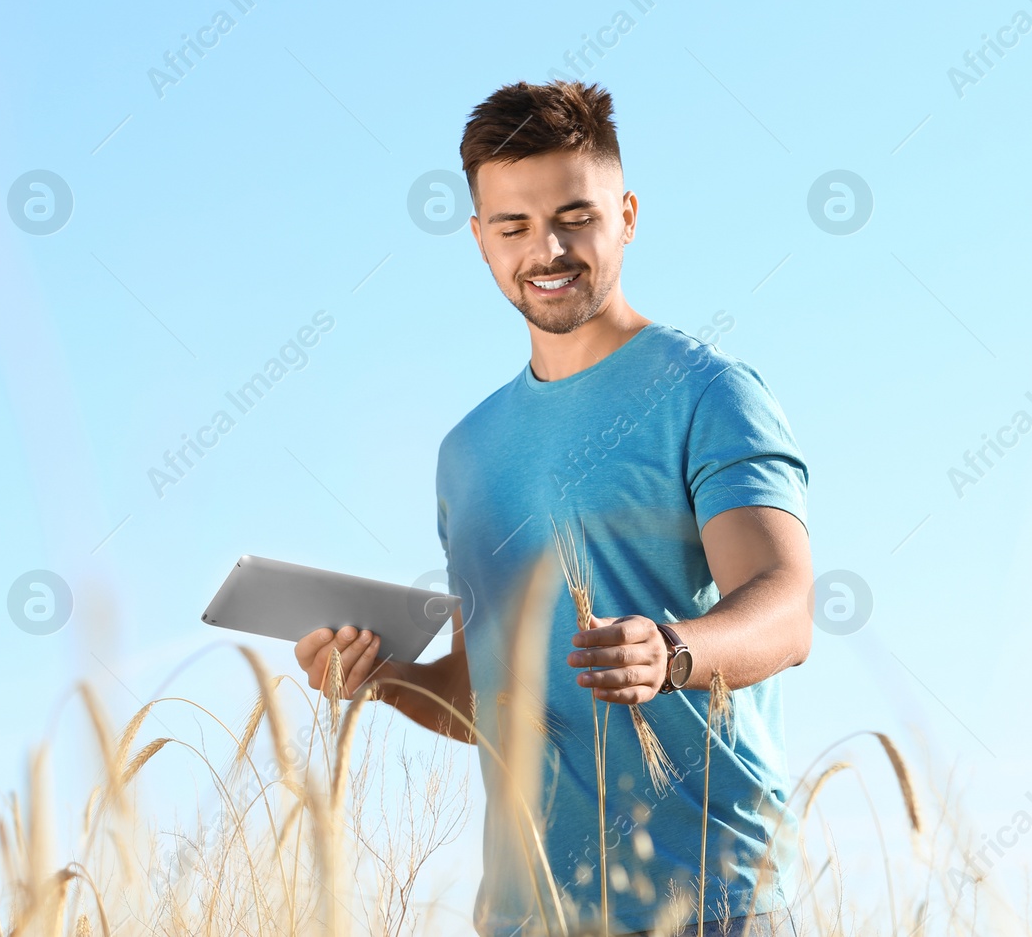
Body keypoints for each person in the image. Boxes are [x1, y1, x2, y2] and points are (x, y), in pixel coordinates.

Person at [295, 79, 812, 937]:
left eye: (576, 216)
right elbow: (483, 689)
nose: (548, 248)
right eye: (514, 226)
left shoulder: (709, 393)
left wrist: (672, 651)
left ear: (628, 214)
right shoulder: (466, 452)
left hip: (707, 904)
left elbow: (786, 607)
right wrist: (383, 678)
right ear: (479, 241)